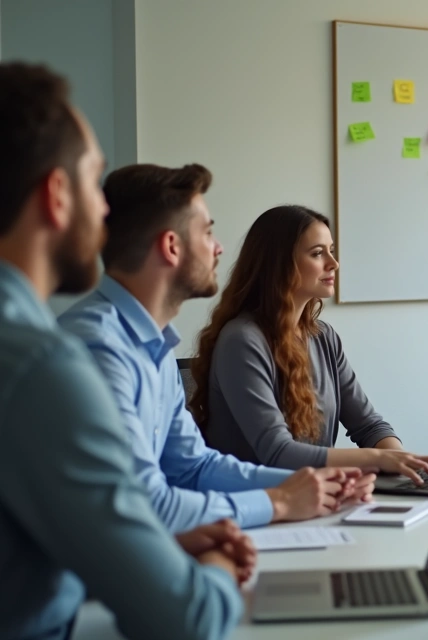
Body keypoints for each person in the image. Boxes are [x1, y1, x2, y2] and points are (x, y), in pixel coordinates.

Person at [0, 61, 247, 640]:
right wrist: (217, 561)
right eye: (93, 181)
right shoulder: (43, 364)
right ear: (57, 196)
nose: (106, 211)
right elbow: (189, 620)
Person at [59, 163, 374, 533]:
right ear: (171, 247)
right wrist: (280, 501)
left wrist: (316, 487)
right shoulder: (99, 347)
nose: (219, 247)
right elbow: (140, 506)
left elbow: (194, 467)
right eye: (207, 232)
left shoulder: (153, 343)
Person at [189, 205, 428, 486]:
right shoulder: (242, 340)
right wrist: (377, 459)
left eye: (331, 250)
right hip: (258, 505)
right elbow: (277, 452)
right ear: (279, 263)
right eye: (318, 253)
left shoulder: (323, 337)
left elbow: (369, 425)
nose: (334, 263)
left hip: (313, 499)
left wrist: (407, 468)